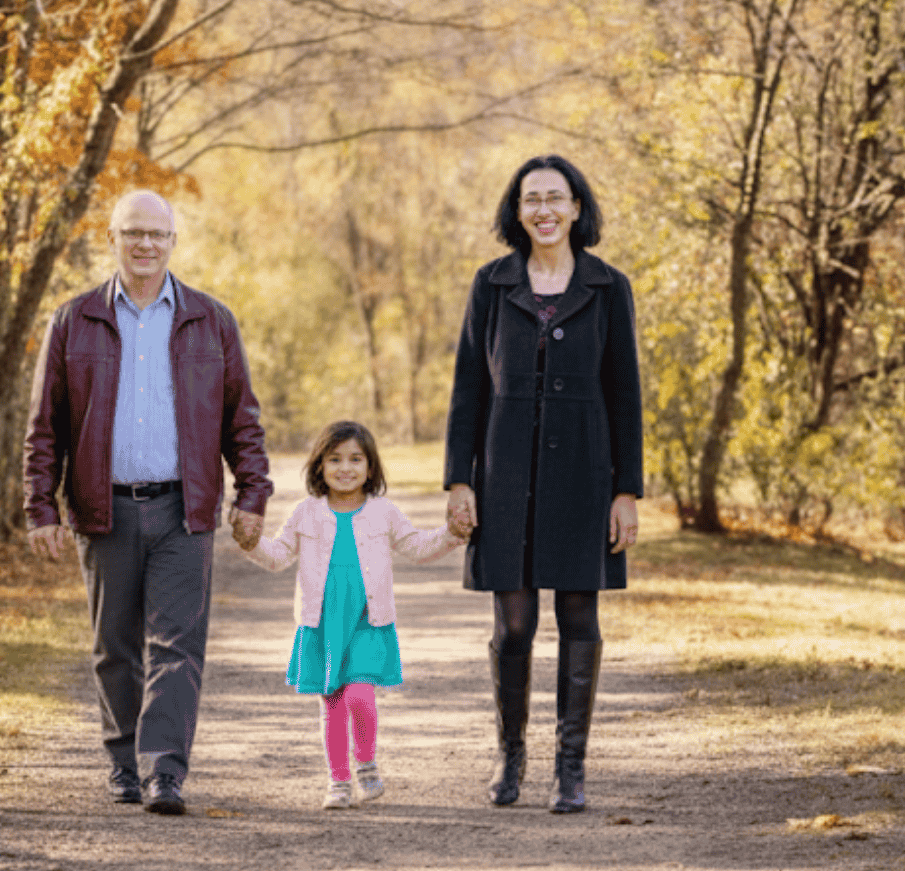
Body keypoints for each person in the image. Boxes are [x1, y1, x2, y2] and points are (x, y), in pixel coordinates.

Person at [24, 189, 272, 816]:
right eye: (132, 233)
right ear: (112, 239)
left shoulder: (210, 320)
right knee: (115, 646)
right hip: (102, 509)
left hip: (182, 510)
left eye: (156, 234)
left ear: (172, 243)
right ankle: (122, 763)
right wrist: (41, 507)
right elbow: (44, 426)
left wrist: (253, 493)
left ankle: (164, 771)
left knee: (177, 645)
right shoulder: (73, 320)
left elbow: (241, 417)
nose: (144, 245)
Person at [443, 154, 644, 815]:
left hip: (586, 473)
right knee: (514, 623)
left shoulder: (608, 287)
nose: (545, 211)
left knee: (579, 615)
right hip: (504, 474)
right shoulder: (492, 284)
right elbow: (469, 387)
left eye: (556, 198)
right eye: (533, 200)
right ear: (517, 210)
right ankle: (512, 755)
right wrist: (458, 482)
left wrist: (626, 492)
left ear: (577, 207)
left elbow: (626, 395)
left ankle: (571, 767)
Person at [240, 421, 466, 809]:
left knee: (360, 696)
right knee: (331, 704)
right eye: (335, 459)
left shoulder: (383, 512)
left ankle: (365, 762)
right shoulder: (306, 513)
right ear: (319, 467)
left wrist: (449, 534)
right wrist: (250, 543)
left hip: (367, 621)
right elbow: (277, 556)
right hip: (323, 625)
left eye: (356, 459)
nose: (345, 468)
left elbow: (415, 545)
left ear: (371, 467)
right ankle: (338, 782)